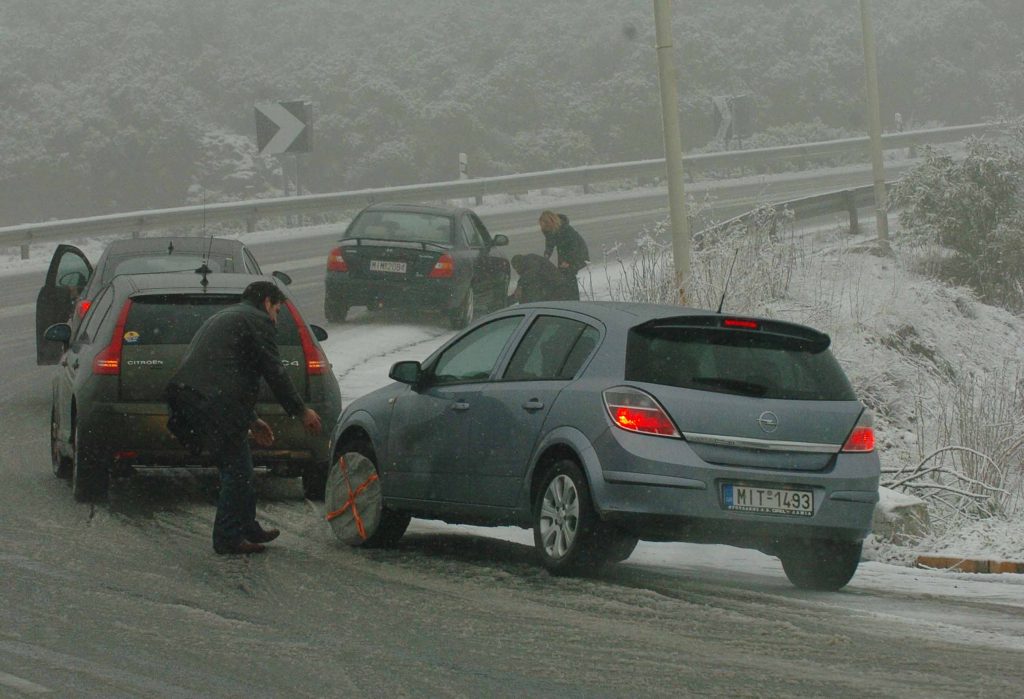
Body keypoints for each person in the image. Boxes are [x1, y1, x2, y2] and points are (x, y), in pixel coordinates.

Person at [166, 281, 322, 555]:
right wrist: (301, 410)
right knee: (237, 472)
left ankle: (247, 526)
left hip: (201, 398)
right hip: (213, 402)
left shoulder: (233, 316)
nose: (276, 317)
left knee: (241, 467)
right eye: (277, 310)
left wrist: (252, 419)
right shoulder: (256, 320)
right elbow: (274, 371)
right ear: (266, 303)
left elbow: (229, 373)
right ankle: (228, 537)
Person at [539, 210, 589, 301]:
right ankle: (566, 298)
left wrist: (568, 262)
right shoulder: (549, 230)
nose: (544, 228)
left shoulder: (565, 229)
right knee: (563, 274)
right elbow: (549, 244)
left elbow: (574, 247)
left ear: (551, 222)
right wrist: (546, 256)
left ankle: (573, 300)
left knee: (568, 274)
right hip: (564, 251)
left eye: (545, 226)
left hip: (578, 253)